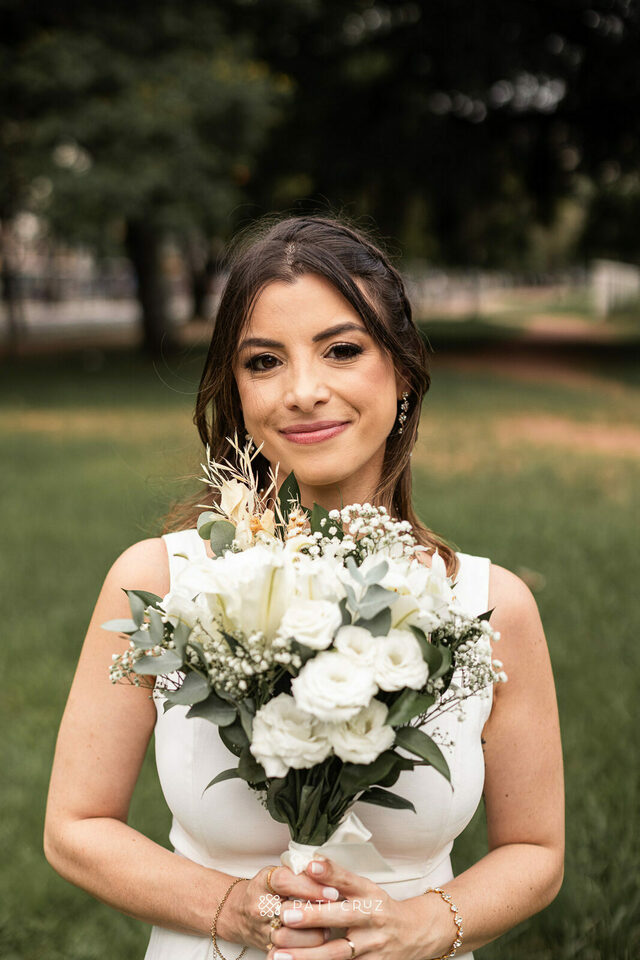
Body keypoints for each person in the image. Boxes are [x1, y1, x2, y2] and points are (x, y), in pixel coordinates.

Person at [44, 215, 564, 960]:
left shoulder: (489, 604)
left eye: (342, 350)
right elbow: (74, 828)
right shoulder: (161, 584)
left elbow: (537, 851)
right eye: (263, 362)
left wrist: (420, 925)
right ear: (238, 390)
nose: (303, 391)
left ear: (404, 372)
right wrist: (229, 907)